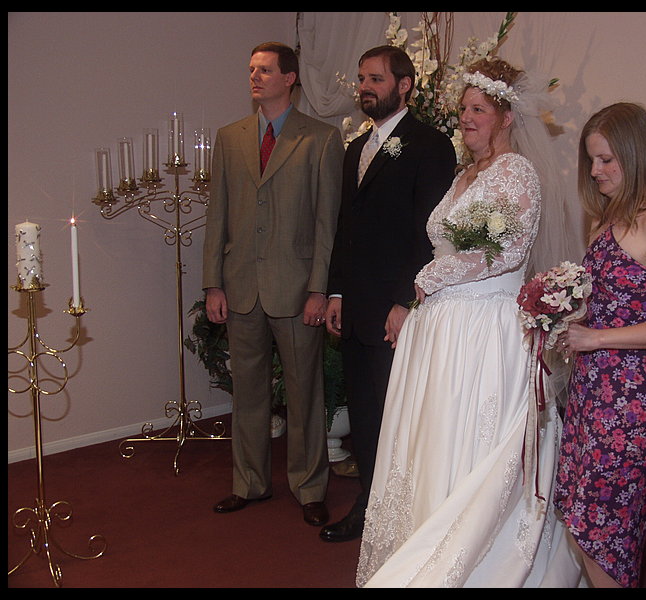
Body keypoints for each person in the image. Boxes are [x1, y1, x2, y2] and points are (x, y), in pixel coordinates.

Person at [355, 57, 584, 587]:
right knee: (435, 440)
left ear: (506, 117)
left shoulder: (517, 172)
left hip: (485, 328)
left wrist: (429, 278)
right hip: (442, 329)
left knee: (475, 443)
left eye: (479, 109)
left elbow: (506, 251)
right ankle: (425, 538)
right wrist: (427, 291)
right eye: (463, 108)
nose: (466, 117)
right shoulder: (464, 175)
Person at [554, 102, 646, 588]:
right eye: (591, 159)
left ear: (636, 155)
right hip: (593, 388)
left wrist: (597, 338)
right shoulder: (606, 217)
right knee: (583, 520)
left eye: (607, 160)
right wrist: (560, 316)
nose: (595, 171)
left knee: (606, 532)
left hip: (634, 396)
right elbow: (610, 303)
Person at [202, 42, 344, 526]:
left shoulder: (321, 139)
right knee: (248, 393)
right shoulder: (230, 137)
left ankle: (309, 488)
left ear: (290, 78)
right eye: (251, 69)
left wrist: (319, 289)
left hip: (297, 288)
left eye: (265, 70)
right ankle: (249, 483)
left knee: (305, 394)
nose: (255, 77)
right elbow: (217, 215)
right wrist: (213, 284)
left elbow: (327, 224)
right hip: (240, 286)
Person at [319, 45, 457, 543]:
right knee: (365, 414)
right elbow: (345, 226)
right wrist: (337, 292)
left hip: (397, 311)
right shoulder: (356, 148)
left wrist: (406, 301)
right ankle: (370, 504)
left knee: (398, 416)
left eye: (375, 79)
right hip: (356, 307)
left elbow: (429, 235)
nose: (365, 87)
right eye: (361, 79)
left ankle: (399, 514)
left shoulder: (430, 145)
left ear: (404, 86)